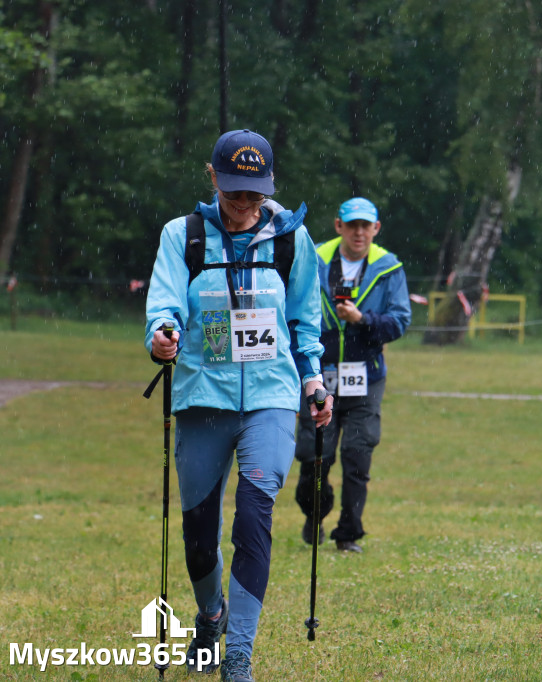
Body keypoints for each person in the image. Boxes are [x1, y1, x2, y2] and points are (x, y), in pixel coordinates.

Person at [145, 129, 332, 682]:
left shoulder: (291, 241)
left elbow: (304, 321)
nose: (245, 206)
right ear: (213, 179)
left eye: (254, 194)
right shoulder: (185, 236)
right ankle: (211, 616)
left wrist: (313, 384)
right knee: (199, 538)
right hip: (203, 395)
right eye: (234, 194)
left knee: (253, 517)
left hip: (271, 399)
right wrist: (162, 333)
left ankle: (239, 655)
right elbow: (165, 300)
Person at [294, 196, 411, 553]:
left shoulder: (389, 267)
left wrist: (363, 320)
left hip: (366, 378)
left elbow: (400, 321)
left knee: (358, 456)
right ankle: (315, 513)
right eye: (352, 225)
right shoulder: (312, 258)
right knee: (315, 456)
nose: (359, 232)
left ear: (376, 229)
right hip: (318, 372)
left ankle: (348, 535)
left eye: (366, 226)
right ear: (338, 226)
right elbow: (294, 307)